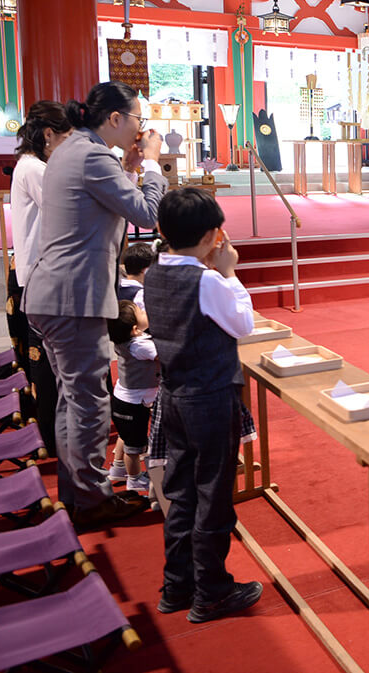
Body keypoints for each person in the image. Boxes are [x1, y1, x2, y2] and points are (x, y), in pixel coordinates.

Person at [23, 81, 166, 528]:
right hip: (73, 298)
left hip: (54, 294)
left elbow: (107, 199)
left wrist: (130, 165)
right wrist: (156, 167)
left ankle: (79, 492)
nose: (142, 127)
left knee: (73, 400)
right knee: (88, 403)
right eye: (138, 119)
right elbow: (145, 214)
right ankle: (90, 499)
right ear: (117, 119)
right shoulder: (92, 154)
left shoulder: (73, 148)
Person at [144, 188, 262, 623]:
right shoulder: (208, 279)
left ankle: (177, 585)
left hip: (172, 396)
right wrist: (230, 273)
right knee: (213, 495)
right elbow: (242, 325)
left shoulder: (153, 272)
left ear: (160, 230)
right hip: (209, 398)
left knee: (181, 492)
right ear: (215, 235)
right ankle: (211, 590)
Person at [4, 102, 72, 454]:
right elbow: (70, 206)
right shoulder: (34, 169)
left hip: (34, 274)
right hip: (39, 279)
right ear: (49, 135)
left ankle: (52, 434)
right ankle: (53, 438)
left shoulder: (30, 166)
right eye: (67, 137)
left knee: (46, 361)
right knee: (46, 365)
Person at [106, 300, 157, 495]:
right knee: (134, 447)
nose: (144, 311)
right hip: (133, 404)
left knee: (125, 436)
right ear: (135, 329)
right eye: (140, 311)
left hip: (124, 399)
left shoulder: (126, 339)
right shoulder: (140, 347)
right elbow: (165, 356)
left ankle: (118, 468)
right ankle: (134, 480)